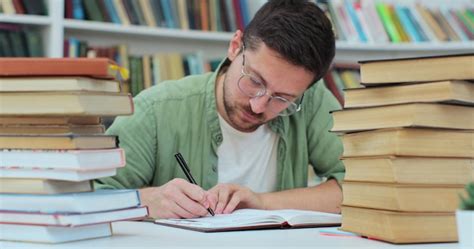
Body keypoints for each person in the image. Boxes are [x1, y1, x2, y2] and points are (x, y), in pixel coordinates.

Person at [95, 0, 345, 219]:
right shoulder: (155, 110)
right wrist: (148, 201)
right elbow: (86, 197)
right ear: (235, 46)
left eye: (282, 98)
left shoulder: (312, 103)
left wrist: (262, 202)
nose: (258, 105)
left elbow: (369, 188)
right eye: (254, 81)